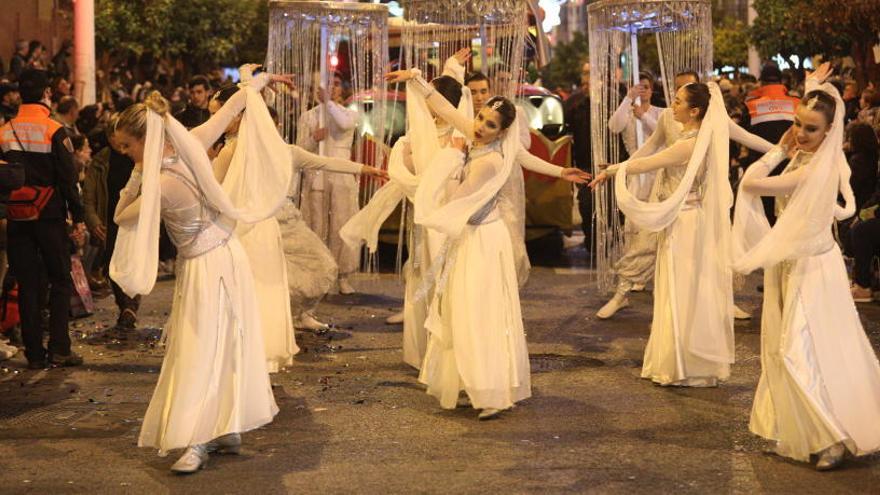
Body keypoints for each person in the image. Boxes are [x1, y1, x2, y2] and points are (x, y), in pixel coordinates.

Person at [110, 68, 292, 473]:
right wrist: (260, 82)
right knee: (222, 342)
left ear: (145, 139)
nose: (125, 153)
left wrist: (137, 176)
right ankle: (223, 427)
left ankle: (196, 438)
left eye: (127, 146)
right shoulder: (194, 143)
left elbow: (122, 216)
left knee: (199, 348)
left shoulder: (159, 181)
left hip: (207, 267)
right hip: (228, 255)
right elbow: (232, 108)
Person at [732, 64, 880, 470]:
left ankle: (831, 436)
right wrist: (814, 88)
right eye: (797, 124)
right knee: (796, 352)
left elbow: (751, 182)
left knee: (801, 351)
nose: (799, 133)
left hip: (813, 269)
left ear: (830, 133)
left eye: (810, 129)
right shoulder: (809, 157)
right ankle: (808, 429)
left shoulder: (817, 166)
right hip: (793, 263)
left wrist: (778, 150)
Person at [208, 79, 385, 371]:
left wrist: (367, 169)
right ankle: (248, 337)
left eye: (223, 114)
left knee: (320, 265)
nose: (218, 121)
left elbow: (323, 162)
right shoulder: (229, 150)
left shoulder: (283, 151)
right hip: (247, 226)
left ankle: (295, 315)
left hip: (283, 220)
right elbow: (213, 190)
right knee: (258, 283)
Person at [386, 68, 532, 419]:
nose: (478, 125)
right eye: (480, 118)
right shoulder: (476, 137)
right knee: (460, 309)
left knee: (477, 311)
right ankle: (471, 381)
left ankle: (490, 390)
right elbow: (447, 110)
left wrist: (452, 158)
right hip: (471, 237)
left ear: (503, 132)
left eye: (489, 124)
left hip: (482, 239)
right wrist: (416, 81)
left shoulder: (491, 160)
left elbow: (455, 202)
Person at [595, 72, 774, 320]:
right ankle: (622, 294)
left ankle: (720, 300)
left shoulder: (712, 119)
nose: (675, 99)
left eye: (683, 92)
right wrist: (622, 167)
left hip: (700, 195)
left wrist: (780, 150)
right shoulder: (668, 117)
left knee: (711, 249)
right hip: (668, 190)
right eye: (676, 90)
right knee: (645, 243)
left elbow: (747, 137)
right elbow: (650, 150)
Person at [590, 81, 735, 387]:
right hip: (683, 219)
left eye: (679, 102)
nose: (673, 106)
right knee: (680, 289)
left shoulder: (690, 144)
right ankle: (683, 361)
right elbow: (648, 153)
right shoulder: (692, 138)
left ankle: (687, 365)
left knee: (682, 290)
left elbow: (649, 163)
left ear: (694, 111)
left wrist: (614, 170)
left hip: (686, 223)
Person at [0, 69, 85, 369]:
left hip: (17, 216)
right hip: (49, 215)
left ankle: (34, 353)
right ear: (47, 93)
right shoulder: (54, 130)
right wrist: (79, 216)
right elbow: (67, 178)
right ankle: (60, 348)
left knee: (27, 283)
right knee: (59, 280)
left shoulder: (5, 129)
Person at [297, 72, 361, 295]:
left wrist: (329, 104)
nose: (331, 88)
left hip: (341, 177)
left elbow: (343, 125)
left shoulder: (349, 114)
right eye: (326, 85)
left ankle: (343, 275)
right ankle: (320, 274)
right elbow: (300, 150)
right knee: (317, 227)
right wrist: (314, 138)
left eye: (335, 84)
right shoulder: (308, 117)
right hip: (317, 177)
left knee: (341, 226)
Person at [563, 61, 593, 247]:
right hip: (585, 164)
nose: (587, 78)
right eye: (585, 74)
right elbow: (565, 132)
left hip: (609, 164)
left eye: (590, 73)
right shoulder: (575, 103)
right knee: (587, 204)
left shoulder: (615, 100)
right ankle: (591, 241)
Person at [608, 71, 663, 157]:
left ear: (651, 90)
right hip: (634, 165)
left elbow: (663, 133)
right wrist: (628, 98)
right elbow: (614, 127)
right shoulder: (627, 113)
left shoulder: (661, 112)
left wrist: (643, 116)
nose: (642, 90)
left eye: (646, 87)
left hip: (658, 167)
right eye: (638, 88)